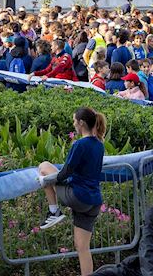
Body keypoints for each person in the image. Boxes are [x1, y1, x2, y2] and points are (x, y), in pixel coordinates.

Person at [37, 107, 108, 276]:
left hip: (78, 197)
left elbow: (66, 172)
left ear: (81, 123)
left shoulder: (80, 144)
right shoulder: (99, 144)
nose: (73, 124)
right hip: (93, 202)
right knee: (82, 247)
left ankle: (54, 211)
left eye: (75, 121)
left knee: (44, 166)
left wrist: (46, 181)